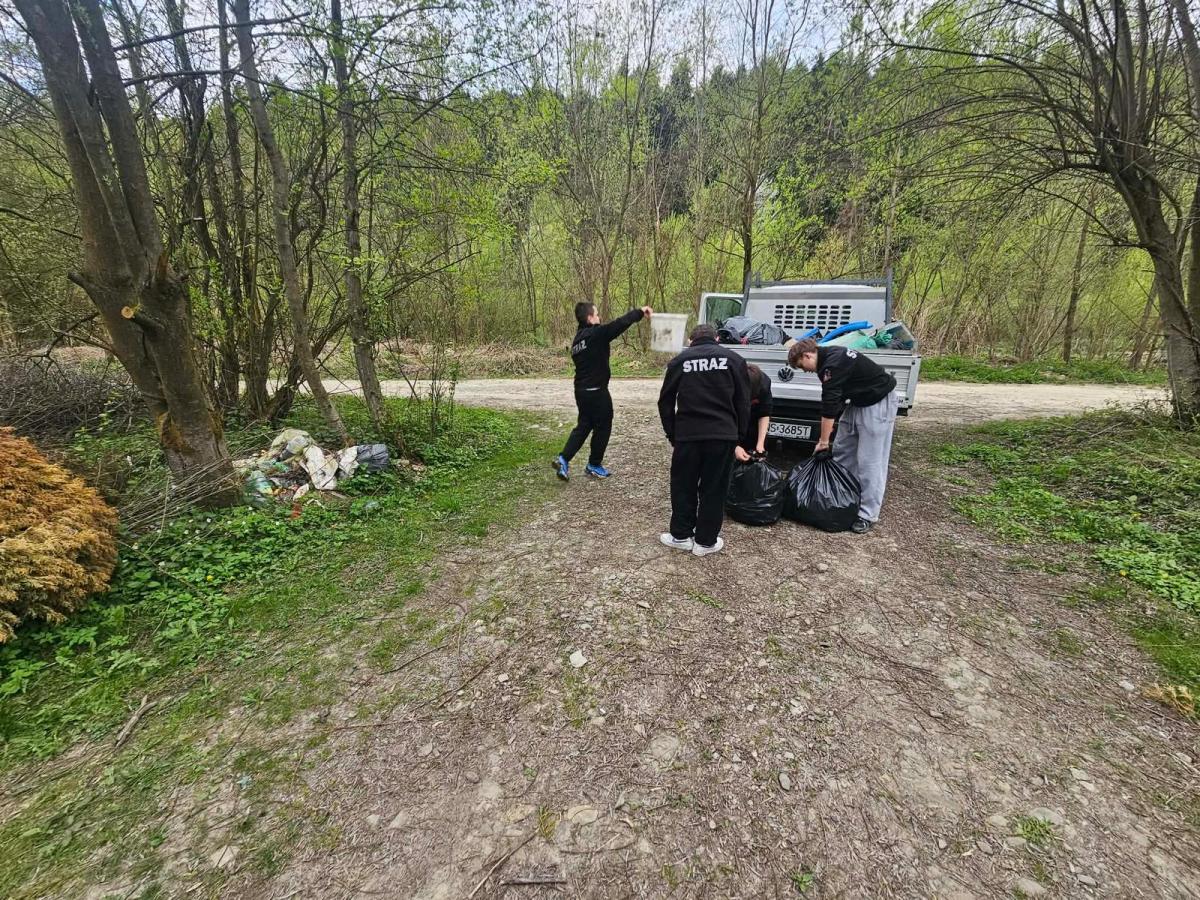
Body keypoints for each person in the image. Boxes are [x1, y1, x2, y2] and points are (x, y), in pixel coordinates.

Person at [787, 337, 898, 534]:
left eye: (802, 366)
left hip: (877, 400)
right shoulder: (826, 360)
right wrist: (828, 437)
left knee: (870, 461)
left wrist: (823, 442)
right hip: (857, 401)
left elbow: (829, 405)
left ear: (807, 355)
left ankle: (867, 514)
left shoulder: (833, 363)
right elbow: (836, 399)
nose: (805, 371)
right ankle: (844, 500)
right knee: (842, 450)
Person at [658, 323, 750, 556]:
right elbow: (743, 401)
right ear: (717, 338)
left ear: (691, 341)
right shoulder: (734, 360)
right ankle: (705, 542)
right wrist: (738, 436)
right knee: (714, 488)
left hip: (688, 435)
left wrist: (672, 434)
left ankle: (681, 536)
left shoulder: (680, 361)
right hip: (722, 434)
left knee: (683, 485)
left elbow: (665, 401)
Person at [554, 302, 652, 480]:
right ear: (590, 318)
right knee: (604, 425)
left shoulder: (577, 340)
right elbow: (619, 324)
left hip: (581, 391)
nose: (599, 317)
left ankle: (563, 459)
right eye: (597, 314)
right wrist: (640, 312)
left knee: (584, 425)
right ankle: (594, 464)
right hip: (597, 392)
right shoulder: (596, 334)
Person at [735, 363, 772, 463]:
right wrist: (734, 446)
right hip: (733, 422)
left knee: (755, 457)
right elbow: (725, 417)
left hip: (753, 423)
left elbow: (764, 414)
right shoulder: (729, 385)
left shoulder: (764, 384)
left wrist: (760, 444)